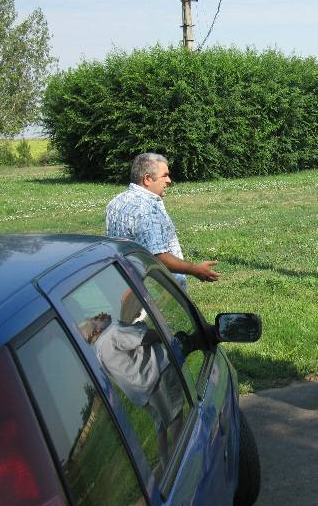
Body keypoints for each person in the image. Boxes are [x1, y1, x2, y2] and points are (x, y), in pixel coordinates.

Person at [78, 302, 185, 465]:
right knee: (175, 416)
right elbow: (144, 337)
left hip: (141, 395)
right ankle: (182, 457)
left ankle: (165, 463)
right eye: (95, 319)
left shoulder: (99, 353)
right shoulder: (113, 333)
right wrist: (158, 333)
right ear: (96, 331)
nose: (100, 315)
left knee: (161, 424)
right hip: (156, 378)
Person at [106, 152, 219, 290]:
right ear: (147, 179)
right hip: (156, 291)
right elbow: (158, 257)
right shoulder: (146, 209)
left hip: (128, 285)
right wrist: (195, 269)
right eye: (164, 175)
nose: (169, 180)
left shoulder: (115, 202)